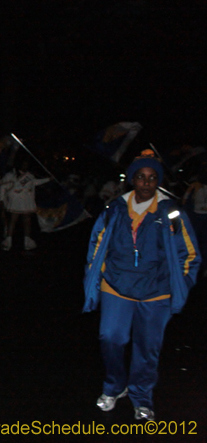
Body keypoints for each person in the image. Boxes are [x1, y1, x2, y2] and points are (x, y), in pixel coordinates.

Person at [84, 150, 200, 421]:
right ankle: (114, 386)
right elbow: (97, 246)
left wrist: (179, 285)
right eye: (140, 177)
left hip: (156, 292)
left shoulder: (171, 212)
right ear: (132, 180)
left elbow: (190, 254)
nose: (146, 183)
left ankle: (141, 396)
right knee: (111, 338)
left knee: (147, 347)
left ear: (158, 181)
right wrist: (96, 278)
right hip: (116, 286)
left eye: (152, 178)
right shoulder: (114, 209)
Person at [1, 158, 50, 251]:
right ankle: (8, 241)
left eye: (27, 164)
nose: (25, 165)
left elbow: (35, 182)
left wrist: (48, 179)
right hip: (15, 201)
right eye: (24, 163)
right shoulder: (11, 175)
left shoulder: (30, 176)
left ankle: (27, 242)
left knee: (27, 221)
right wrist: (3, 200)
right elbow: (4, 187)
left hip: (27, 201)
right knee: (13, 221)